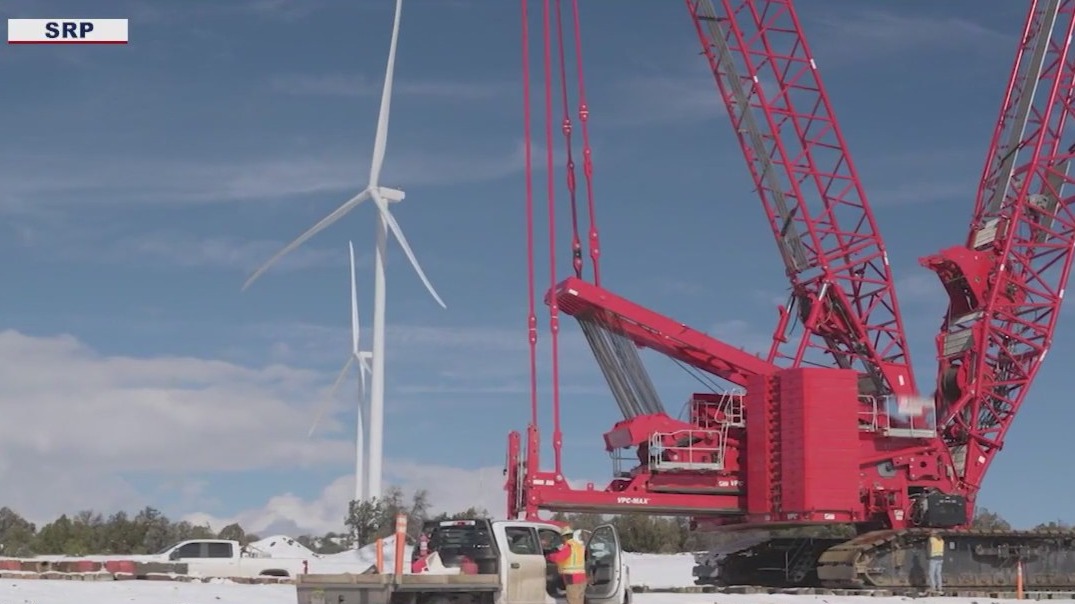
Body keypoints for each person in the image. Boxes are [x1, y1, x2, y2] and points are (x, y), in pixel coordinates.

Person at [545, 526, 587, 604]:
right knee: (579, 601)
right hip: (582, 579)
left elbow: (558, 557)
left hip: (573, 580)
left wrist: (548, 557)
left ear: (564, 537)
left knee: (573, 601)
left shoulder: (569, 546)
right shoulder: (579, 546)